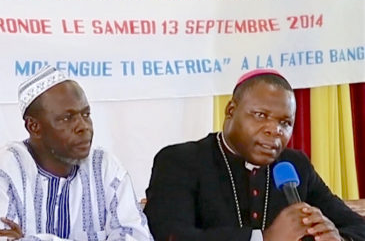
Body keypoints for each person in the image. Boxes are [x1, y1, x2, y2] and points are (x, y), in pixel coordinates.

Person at [144, 69, 365, 241]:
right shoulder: (180, 160)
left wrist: (338, 237)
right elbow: (169, 235)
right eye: (260, 115)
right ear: (231, 111)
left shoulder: (294, 165)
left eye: (285, 123)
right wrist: (263, 238)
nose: (274, 130)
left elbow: (358, 226)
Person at [0, 65, 153, 240]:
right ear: (34, 126)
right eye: (67, 118)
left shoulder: (104, 166)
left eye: (86, 114)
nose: (83, 126)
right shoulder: (5, 168)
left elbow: (136, 236)